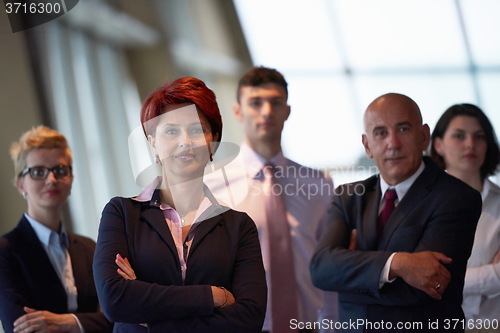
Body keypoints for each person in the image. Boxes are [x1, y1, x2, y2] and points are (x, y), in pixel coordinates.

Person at [92, 77, 267, 332]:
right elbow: (114, 300)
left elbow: (249, 318)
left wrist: (148, 317)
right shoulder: (121, 214)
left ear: (213, 140)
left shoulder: (239, 226)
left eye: (196, 130)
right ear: (153, 141)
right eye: (171, 131)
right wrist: (212, 296)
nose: (185, 141)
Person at [310, 93, 482, 333]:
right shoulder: (348, 196)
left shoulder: (457, 197)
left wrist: (348, 272)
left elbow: (422, 288)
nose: (393, 143)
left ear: (424, 137)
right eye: (380, 133)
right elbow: (320, 270)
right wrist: (398, 263)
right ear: (367, 145)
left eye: (403, 129)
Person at [205, 66, 337, 332]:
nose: (266, 111)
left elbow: (330, 261)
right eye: (255, 103)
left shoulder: (318, 183)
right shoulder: (211, 186)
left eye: (275, 102)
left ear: (287, 110)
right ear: (238, 111)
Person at [0, 126, 112, 333]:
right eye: (38, 172)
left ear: (70, 180)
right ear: (20, 184)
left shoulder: (89, 248)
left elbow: (114, 318)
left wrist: (67, 323)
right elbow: (20, 328)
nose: (51, 179)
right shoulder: (5, 251)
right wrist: (90, 322)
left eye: (60, 170)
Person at [430, 103, 500, 332]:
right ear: (438, 144)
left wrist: (445, 279)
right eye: (459, 136)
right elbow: (418, 280)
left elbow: (436, 279)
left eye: (479, 137)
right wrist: (492, 274)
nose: (470, 144)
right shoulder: (419, 204)